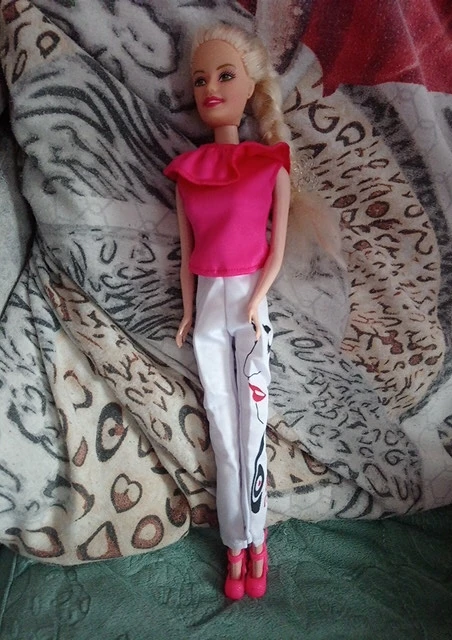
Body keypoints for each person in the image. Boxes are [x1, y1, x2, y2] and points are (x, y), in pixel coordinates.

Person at [164, 22, 294, 600]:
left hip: (250, 306)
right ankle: (234, 544)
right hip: (208, 311)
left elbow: (277, 249)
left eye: (224, 75)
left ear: (251, 86)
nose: (210, 89)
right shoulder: (186, 174)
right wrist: (188, 311)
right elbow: (186, 251)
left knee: (252, 428)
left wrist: (259, 298)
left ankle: (257, 539)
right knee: (222, 427)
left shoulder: (271, 165)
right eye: (200, 81)